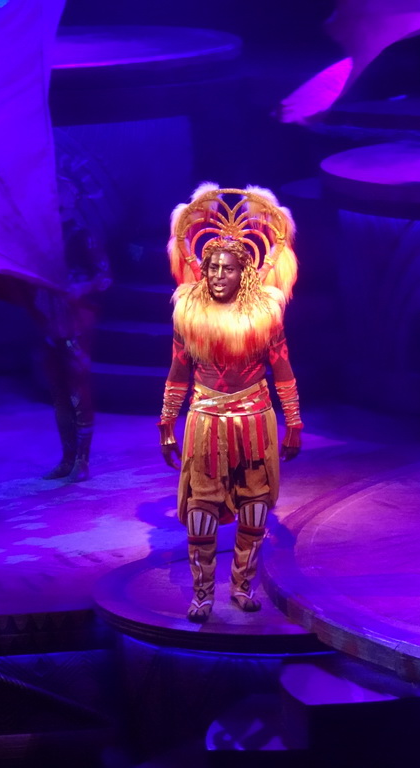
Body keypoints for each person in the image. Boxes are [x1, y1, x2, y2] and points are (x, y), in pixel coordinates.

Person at [159, 184, 302, 623]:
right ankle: (202, 594)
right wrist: (167, 420)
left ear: (245, 272)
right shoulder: (188, 315)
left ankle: (242, 586)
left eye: (228, 268)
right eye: (213, 267)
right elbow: (179, 370)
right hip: (206, 419)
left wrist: (293, 421)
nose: (219, 275)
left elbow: (281, 367)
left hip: (255, 417)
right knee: (201, 511)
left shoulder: (264, 316)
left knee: (255, 506)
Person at [34, 177, 110, 483]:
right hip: (49, 319)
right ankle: (66, 459)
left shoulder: (82, 235)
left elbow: (105, 278)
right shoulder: (44, 237)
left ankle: (82, 460)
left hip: (76, 321)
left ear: (73, 197)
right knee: (58, 392)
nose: (55, 195)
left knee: (78, 390)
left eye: (61, 191)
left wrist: (81, 288)